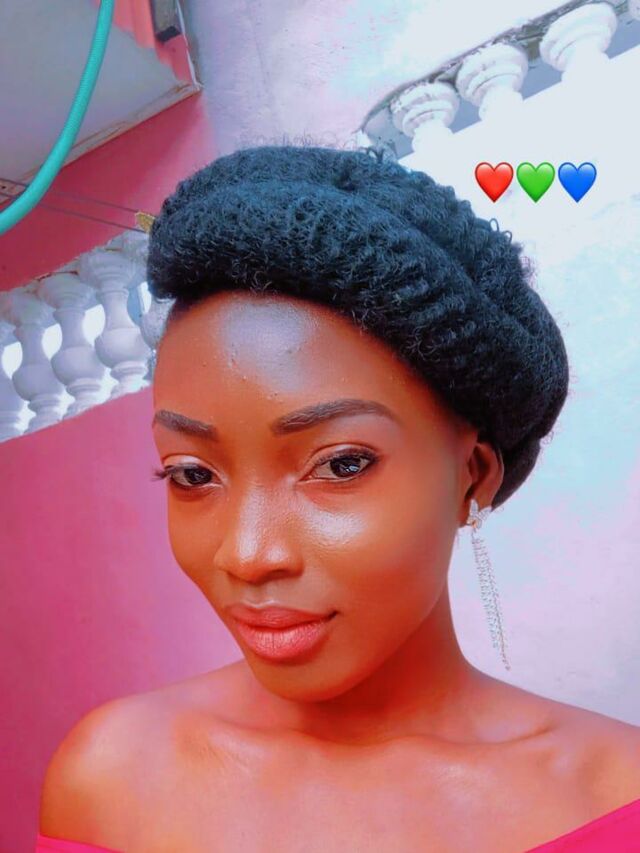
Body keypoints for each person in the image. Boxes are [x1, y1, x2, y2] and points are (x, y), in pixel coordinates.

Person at [37, 144, 640, 852]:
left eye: (341, 464)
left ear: (474, 475)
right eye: (193, 474)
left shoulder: (613, 800)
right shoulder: (113, 778)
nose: (248, 554)